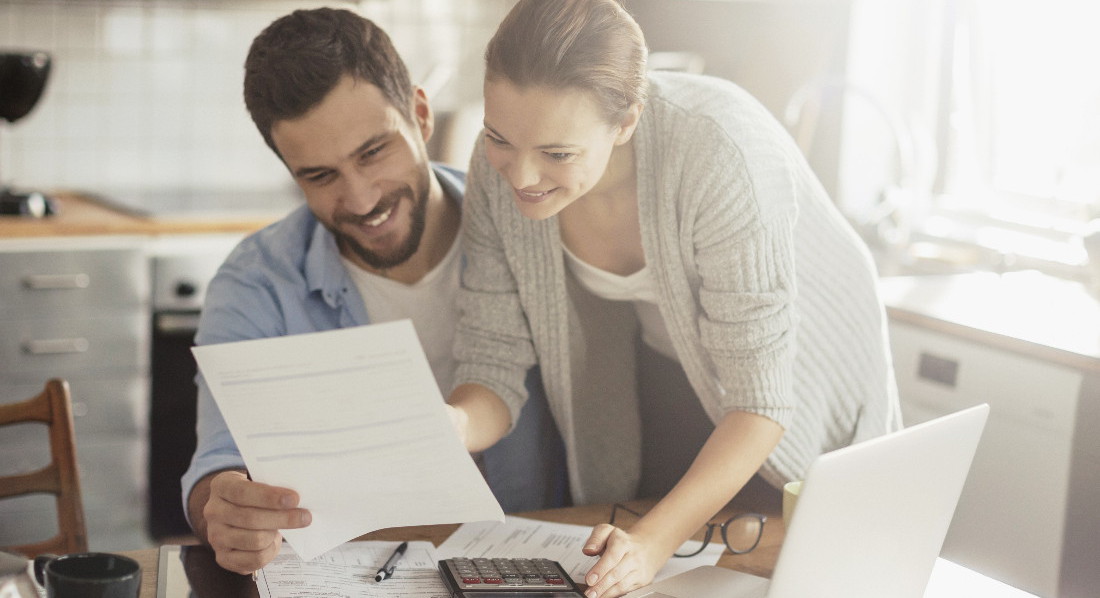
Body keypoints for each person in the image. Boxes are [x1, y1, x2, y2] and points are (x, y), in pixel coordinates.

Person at [444, 1, 903, 596]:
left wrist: (654, 544)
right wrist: (449, 424)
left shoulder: (720, 152)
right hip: (667, 355)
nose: (521, 176)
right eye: (500, 137)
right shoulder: (494, 167)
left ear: (627, 120)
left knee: (798, 553)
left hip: (802, 365)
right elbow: (492, 360)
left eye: (557, 154)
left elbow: (760, 404)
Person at [180, 7, 566, 575]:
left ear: (421, 113)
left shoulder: (528, 230)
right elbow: (217, 466)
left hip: (540, 565)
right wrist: (226, 509)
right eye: (320, 175)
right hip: (351, 575)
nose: (361, 200)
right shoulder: (256, 282)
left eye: (372, 152)